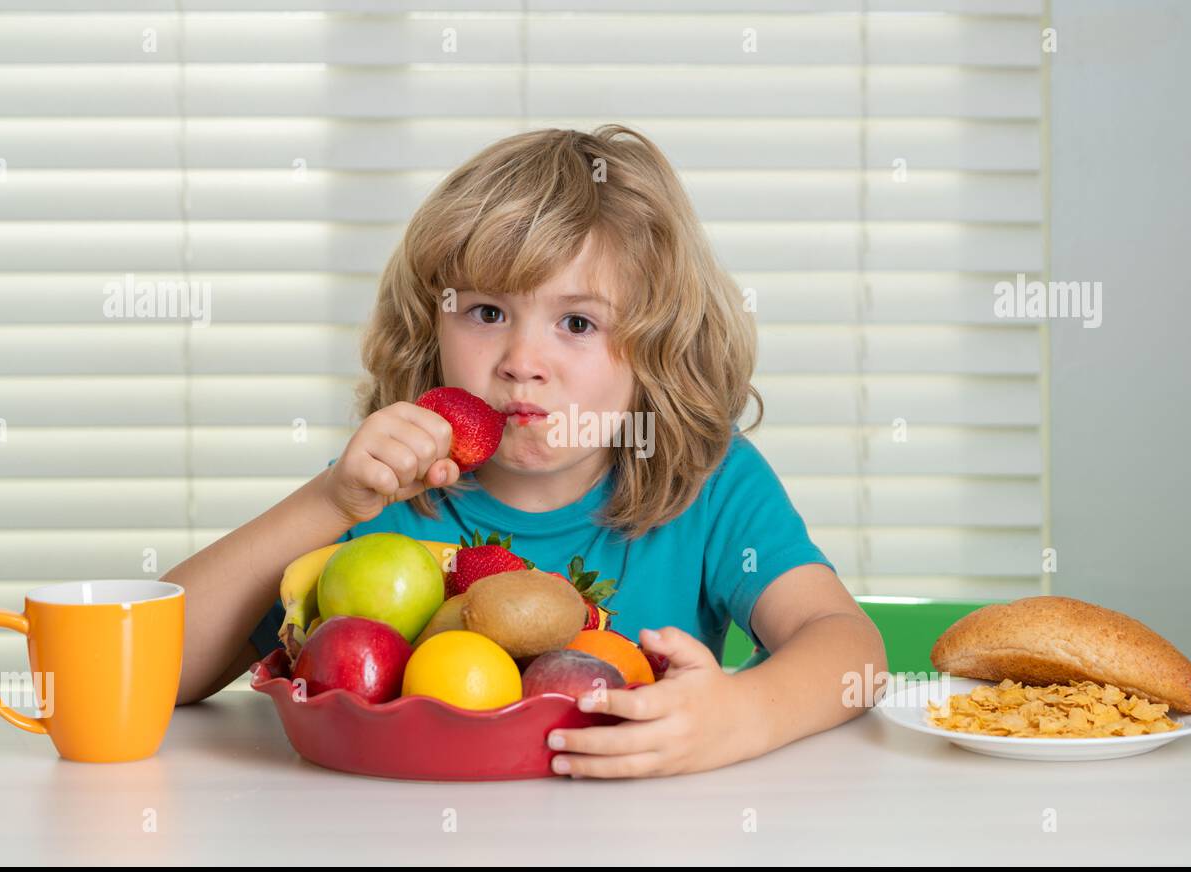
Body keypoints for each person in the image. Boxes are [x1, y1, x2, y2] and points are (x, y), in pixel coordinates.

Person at [164, 124, 886, 778]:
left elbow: (851, 649)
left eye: (576, 321)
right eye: (486, 313)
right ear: (431, 330)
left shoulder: (710, 481)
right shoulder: (378, 493)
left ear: (658, 350)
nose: (521, 360)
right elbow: (155, 669)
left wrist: (739, 714)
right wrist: (327, 504)